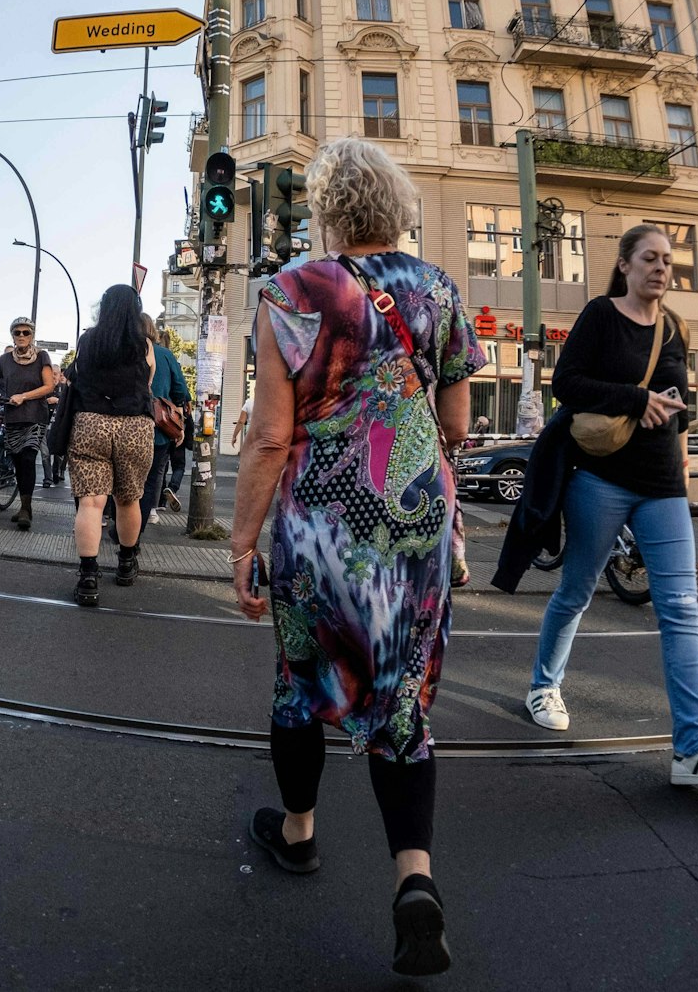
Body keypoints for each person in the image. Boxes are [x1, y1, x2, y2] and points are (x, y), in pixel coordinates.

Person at [231, 137, 483, 978]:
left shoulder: (292, 291)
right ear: (399, 205)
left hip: (319, 532)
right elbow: (454, 427)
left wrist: (240, 543)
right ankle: (415, 878)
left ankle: (298, 833)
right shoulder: (441, 290)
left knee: (303, 683)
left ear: (329, 210)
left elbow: (269, 436)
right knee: (401, 700)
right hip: (412, 531)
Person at [523, 224, 698, 787]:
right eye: (649, 258)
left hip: (662, 483)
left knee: (679, 607)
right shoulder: (601, 316)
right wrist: (634, 398)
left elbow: (679, 406)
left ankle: (693, 748)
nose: (660, 267)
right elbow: (567, 385)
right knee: (576, 591)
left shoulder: (676, 327)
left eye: (667, 260)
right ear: (624, 264)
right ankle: (543, 685)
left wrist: (683, 459)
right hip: (600, 479)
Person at [66, 285, 155, 607]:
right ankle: (127, 564)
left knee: (91, 503)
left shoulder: (88, 340)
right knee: (129, 499)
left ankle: (88, 577)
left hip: (91, 423)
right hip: (134, 426)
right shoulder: (143, 344)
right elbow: (146, 385)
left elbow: (77, 375)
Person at [0, 316, 57, 530]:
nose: (21, 336)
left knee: (28, 458)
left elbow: (49, 387)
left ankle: (26, 509)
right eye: (17, 332)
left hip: (35, 416)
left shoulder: (41, 357)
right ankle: (22, 505)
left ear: (32, 335)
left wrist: (24, 396)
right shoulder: (5, 360)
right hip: (13, 418)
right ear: (12, 334)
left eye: (25, 332)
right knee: (18, 462)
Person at [141, 316, 192, 525]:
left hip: (128, 421)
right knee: (156, 470)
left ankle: (113, 512)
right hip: (159, 425)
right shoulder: (165, 355)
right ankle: (151, 509)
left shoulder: (123, 350)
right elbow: (180, 388)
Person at [231, 385, 254, 450]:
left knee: (249, 453)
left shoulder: (249, 402)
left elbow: (241, 421)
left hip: (251, 431)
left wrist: (234, 436)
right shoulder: (270, 404)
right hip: (265, 433)